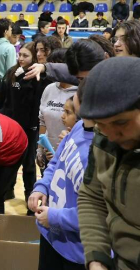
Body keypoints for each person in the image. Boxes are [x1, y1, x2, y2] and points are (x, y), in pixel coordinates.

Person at [77, 56, 140, 270]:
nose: (111, 135)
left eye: (121, 122)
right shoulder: (105, 135)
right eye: (100, 124)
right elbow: (92, 195)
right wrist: (96, 259)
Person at [28, 81, 94, 270]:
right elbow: (57, 163)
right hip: (51, 234)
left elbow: (99, 213)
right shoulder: (79, 127)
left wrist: (56, 217)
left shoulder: (100, 152)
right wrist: (42, 186)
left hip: (76, 252)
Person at [0, 42, 50, 212]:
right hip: (11, 127)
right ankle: (7, 190)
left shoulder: (37, 77)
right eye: (20, 55)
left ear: (34, 57)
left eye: (25, 56)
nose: (20, 58)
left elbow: (36, 104)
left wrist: (34, 127)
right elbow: (4, 100)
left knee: (28, 165)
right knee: (10, 160)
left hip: (29, 128)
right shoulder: (12, 73)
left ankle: (30, 196)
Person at [38, 49, 77, 163]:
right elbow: (42, 121)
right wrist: (40, 149)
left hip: (69, 154)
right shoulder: (49, 89)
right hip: (48, 151)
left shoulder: (79, 92)